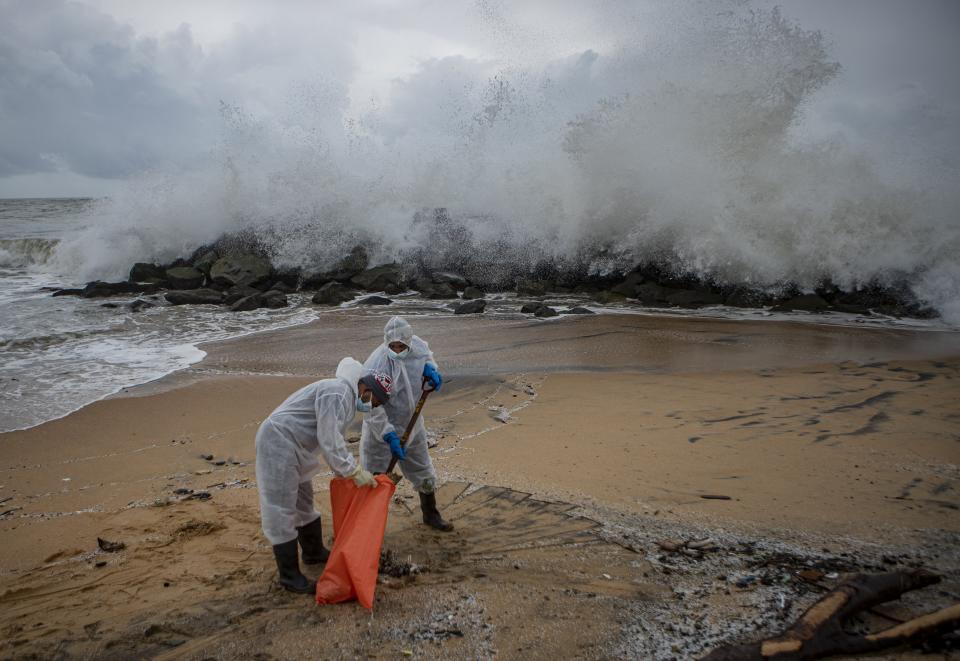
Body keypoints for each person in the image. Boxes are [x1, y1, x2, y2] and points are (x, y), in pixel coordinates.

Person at [255, 356, 393, 594]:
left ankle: (312, 552)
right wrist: (353, 471)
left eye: (377, 404)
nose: (371, 406)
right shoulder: (337, 392)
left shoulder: (347, 398)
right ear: (365, 388)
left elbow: (329, 439)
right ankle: (289, 577)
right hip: (278, 441)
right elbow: (329, 439)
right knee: (280, 508)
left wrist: (350, 469)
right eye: (374, 400)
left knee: (303, 501)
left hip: (296, 446)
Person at [361, 316, 453, 532]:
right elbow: (368, 405)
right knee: (375, 477)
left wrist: (430, 369)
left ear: (409, 342)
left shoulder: (417, 346)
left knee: (423, 470)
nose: (397, 349)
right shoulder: (376, 365)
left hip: (412, 423)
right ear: (386, 343)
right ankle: (368, 526)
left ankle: (431, 514)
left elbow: (427, 357)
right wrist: (387, 434)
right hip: (380, 432)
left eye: (402, 345)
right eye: (392, 345)